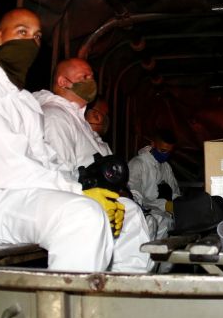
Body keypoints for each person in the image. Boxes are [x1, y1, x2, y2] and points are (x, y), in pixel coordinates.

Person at [0, 8, 120, 272]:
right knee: (82, 217)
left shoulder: (23, 100)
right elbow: (9, 170)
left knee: (114, 214)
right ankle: (62, 310)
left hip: (21, 194)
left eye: (36, 37)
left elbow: (47, 161)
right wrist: (80, 193)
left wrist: (84, 189)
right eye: (21, 32)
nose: (30, 43)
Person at [34, 58, 154, 273]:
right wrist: (87, 194)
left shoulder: (78, 121)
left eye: (92, 76)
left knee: (131, 212)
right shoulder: (55, 117)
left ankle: (125, 283)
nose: (92, 81)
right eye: (84, 77)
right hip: (72, 201)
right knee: (129, 214)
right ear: (64, 82)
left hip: (94, 198)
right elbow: (55, 171)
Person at [128, 129, 181, 233]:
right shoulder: (137, 164)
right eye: (163, 150)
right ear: (153, 144)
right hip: (146, 218)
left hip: (166, 218)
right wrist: (164, 205)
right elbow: (133, 197)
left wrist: (178, 204)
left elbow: (175, 192)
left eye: (169, 152)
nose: (166, 155)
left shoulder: (166, 167)